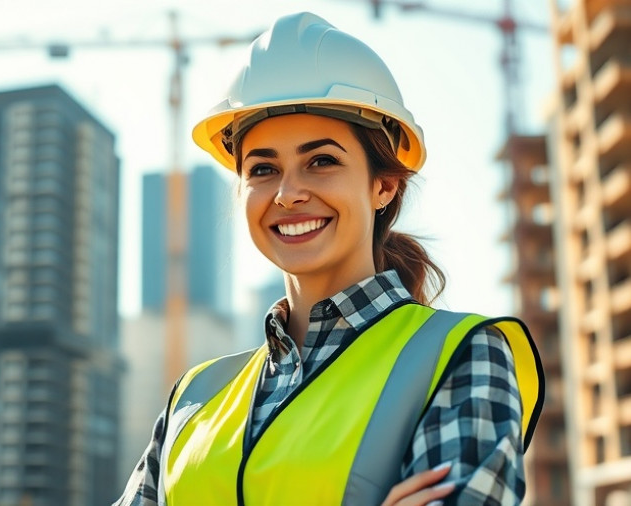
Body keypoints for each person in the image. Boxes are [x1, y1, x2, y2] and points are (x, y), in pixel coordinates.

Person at [115, 11, 544, 506]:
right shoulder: (193, 397)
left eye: (321, 161)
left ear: (383, 185)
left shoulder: (462, 356)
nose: (288, 193)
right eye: (263, 169)